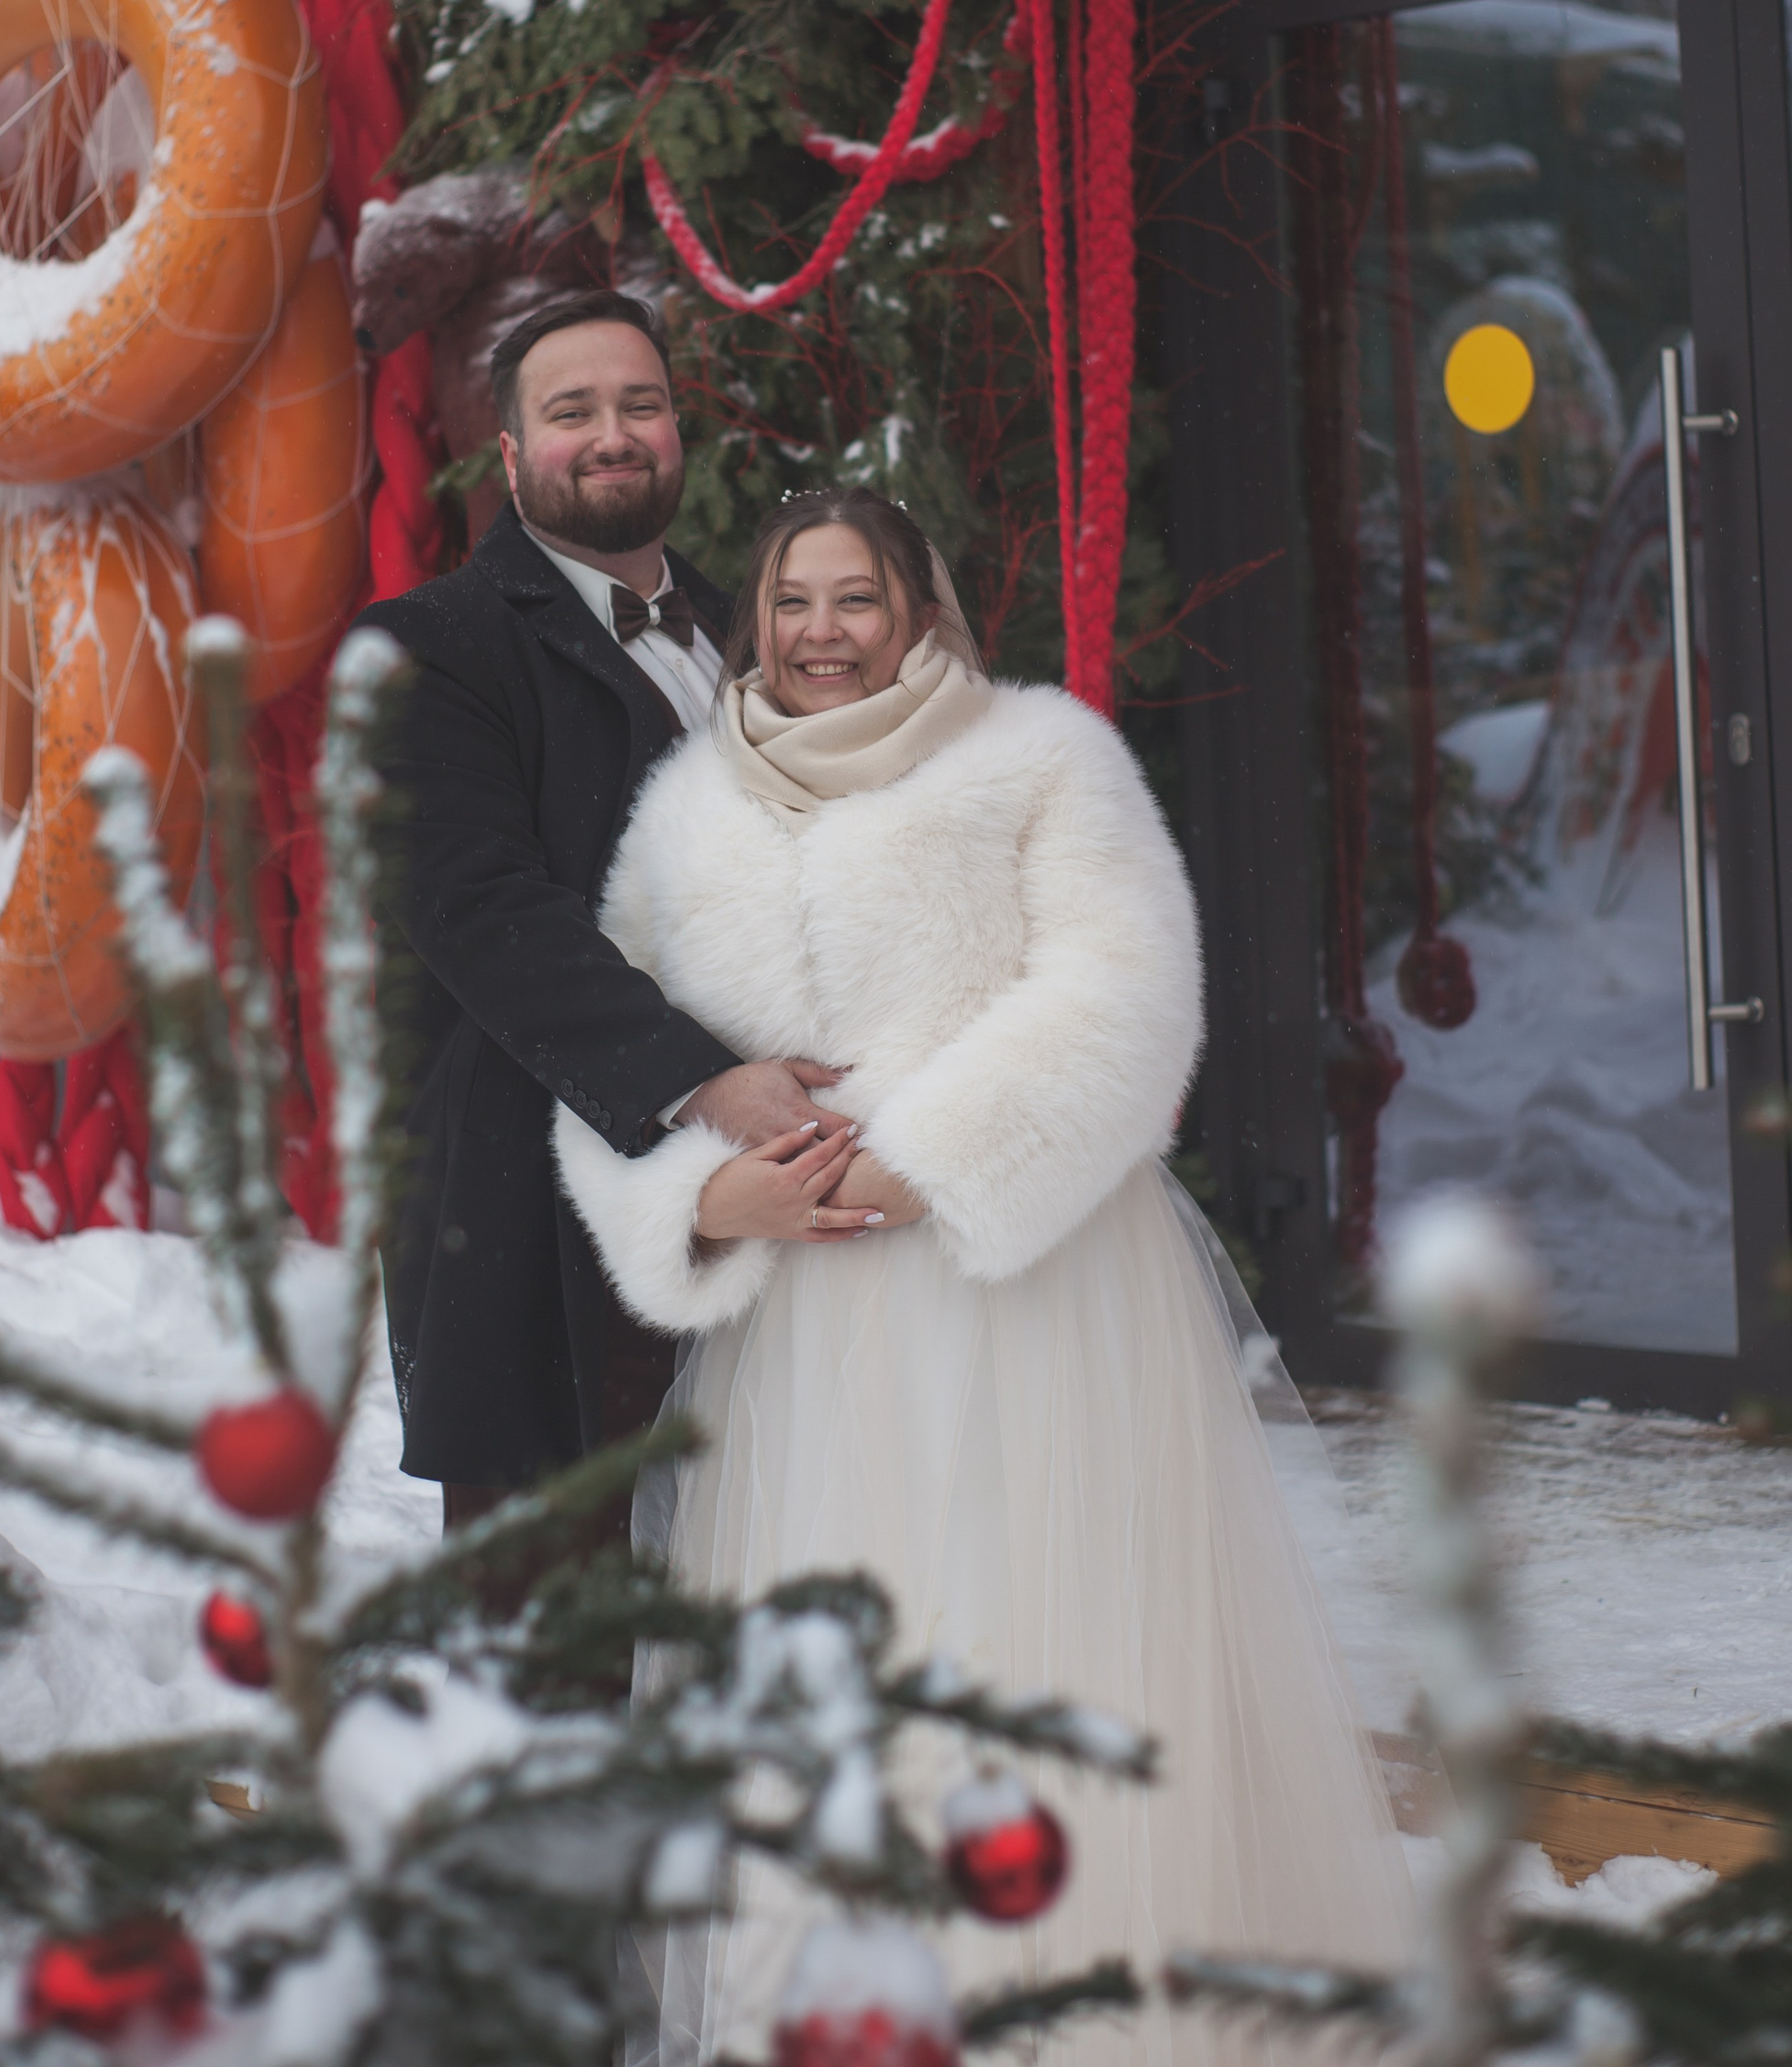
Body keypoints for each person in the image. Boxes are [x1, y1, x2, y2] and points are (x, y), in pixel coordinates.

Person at [554, 485, 1414, 2062]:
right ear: (753, 624)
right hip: (804, 1326)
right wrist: (700, 1198)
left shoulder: (1037, 759)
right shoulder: (688, 811)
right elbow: (612, 1044)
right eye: (792, 603)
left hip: (1024, 1287)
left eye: (855, 599)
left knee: (1027, 1633)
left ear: (921, 611)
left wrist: (925, 1159)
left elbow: (1124, 990)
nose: (820, 634)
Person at [359, 290, 865, 1527]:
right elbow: (483, 911)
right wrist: (703, 1083)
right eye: (571, 410)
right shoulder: (430, 647)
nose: (612, 433)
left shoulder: (760, 635)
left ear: (678, 432)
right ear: (514, 457)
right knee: (561, 1632)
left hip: (780, 1200)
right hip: (543, 1210)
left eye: (640, 404)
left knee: (760, 1571)